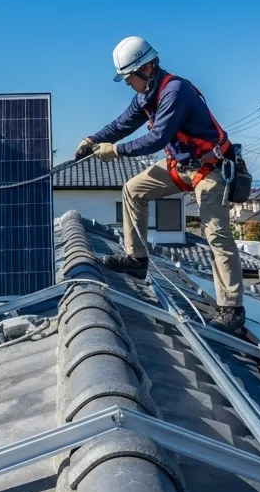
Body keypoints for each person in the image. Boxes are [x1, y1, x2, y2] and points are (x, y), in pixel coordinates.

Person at [74, 36, 246, 333]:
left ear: (147, 68)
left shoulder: (174, 91)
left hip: (210, 168)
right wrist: (94, 139)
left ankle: (231, 308)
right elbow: (121, 124)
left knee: (216, 233)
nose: (128, 83)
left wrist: (115, 151)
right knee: (133, 189)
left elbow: (158, 137)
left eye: (129, 77)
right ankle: (136, 258)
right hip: (181, 166)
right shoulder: (146, 95)